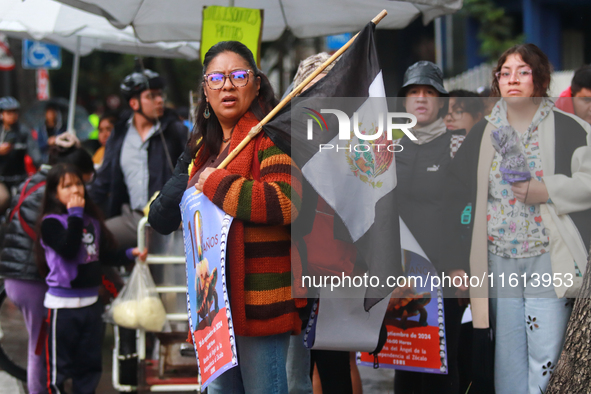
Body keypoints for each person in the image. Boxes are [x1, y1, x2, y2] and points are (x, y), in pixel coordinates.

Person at [148, 41, 302, 394]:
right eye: (216, 78)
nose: (227, 86)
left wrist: (217, 182)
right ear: (205, 88)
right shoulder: (202, 148)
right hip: (214, 310)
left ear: (257, 83)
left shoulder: (270, 137)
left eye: (238, 75)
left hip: (258, 306)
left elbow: (287, 202)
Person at [447, 43, 591, 394]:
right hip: (498, 259)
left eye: (522, 72)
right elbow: (454, 196)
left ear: (539, 79)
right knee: (507, 354)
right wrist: (455, 261)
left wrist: (546, 189)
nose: (513, 79)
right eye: (505, 72)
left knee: (546, 354)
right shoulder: (483, 133)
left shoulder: (569, 127)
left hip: (547, 255)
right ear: (497, 81)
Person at [36, 163, 145, 393]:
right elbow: (68, 248)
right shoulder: (51, 222)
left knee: (89, 367)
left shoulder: (92, 221)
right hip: (62, 308)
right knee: (58, 370)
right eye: (67, 186)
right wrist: (75, 215)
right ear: (54, 192)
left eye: (78, 184)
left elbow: (100, 255)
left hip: (91, 305)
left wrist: (128, 254)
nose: (75, 190)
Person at [393, 61, 468, 394]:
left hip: (444, 275)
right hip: (401, 276)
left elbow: (465, 211)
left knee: (441, 366)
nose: (420, 99)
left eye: (428, 92)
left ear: (440, 102)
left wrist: (458, 264)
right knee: (404, 363)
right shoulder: (389, 148)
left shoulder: (458, 145)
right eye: (413, 92)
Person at [0, 138, 94, 394]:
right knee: (40, 346)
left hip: (17, 275)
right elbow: (67, 244)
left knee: (42, 344)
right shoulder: (53, 196)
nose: (79, 188)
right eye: (78, 181)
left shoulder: (32, 182)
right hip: (29, 277)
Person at [88, 69, 187, 250]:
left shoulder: (175, 130)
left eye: (160, 95)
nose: (159, 100)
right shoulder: (119, 134)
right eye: (151, 96)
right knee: (90, 240)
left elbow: (191, 172)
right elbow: (103, 181)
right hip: (133, 218)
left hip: (171, 221)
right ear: (134, 103)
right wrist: (79, 204)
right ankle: (116, 280)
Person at [0, 96, 42, 213]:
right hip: (1, 179)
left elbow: (34, 151)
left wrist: (41, 166)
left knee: (30, 202)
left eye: (14, 112)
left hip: (20, 178)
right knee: (2, 199)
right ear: (1, 114)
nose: (12, 115)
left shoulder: (23, 131)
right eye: (8, 112)